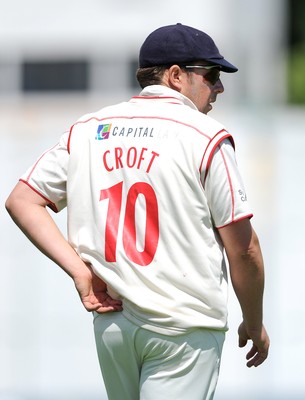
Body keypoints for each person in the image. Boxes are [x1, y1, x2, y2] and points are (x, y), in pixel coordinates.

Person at [6, 23, 270, 400]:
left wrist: (81, 273)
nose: (219, 88)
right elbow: (244, 249)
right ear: (176, 76)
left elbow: (22, 200)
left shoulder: (89, 129)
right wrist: (255, 321)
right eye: (211, 75)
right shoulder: (205, 135)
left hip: (113, 325)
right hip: (182, 327)